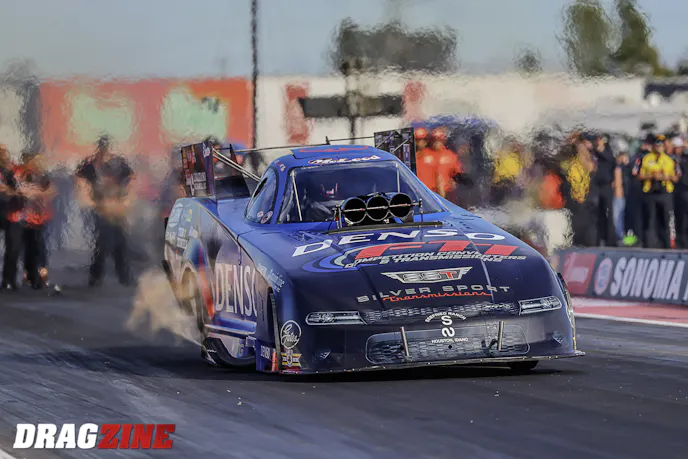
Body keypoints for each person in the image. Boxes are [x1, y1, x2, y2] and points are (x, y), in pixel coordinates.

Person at [75, 135, 135, 286]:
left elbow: (131, 177)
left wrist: (125, 198)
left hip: (116, 207)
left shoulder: (118, 162)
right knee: (104, 242)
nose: (105, 151)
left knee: (120, 242)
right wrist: (88, 197)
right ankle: (97, 276)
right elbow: (80, 177)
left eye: (106, 148)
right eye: (103, 148)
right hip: (101, 207)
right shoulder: (92, 164)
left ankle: (122, 277)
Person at [2, 152, 56, 290]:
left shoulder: (41, 175)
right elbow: (18, 190)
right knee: (14, 250)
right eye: (36, 159)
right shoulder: (16, 172)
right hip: (17, 217)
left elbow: (52, 190)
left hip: (34, 218)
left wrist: (39, 193)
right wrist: (33, 192)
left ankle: (33, 278)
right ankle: (9, 280)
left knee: (33, 249)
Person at [632, 134, 681, 249]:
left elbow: (677, 177)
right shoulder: (645, 158)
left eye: (661, 144)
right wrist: (651, 176)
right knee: (650, 220)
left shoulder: (671, 159)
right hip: (650, 192)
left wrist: (666, 176)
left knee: (665, 220)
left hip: (665, 193)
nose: (659, 147)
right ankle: (649, 245)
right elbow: (637, 174)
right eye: (657, 144)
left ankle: (666, 245)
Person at [591, 133, 616, 246]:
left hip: (606, 186)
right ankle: (598, 239)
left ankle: (610, 240)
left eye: (599, 140)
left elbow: (611, 161)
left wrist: (599, 150)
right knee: (597, 214)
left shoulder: (608, 153)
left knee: (609, 213)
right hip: (596, 186)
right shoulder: (593, 154)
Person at [673, 137, 688, 248]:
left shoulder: (683, 159)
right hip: (680, 192)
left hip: (684, 191)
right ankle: (681, 242)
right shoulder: (676, 159)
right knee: (681, 219)